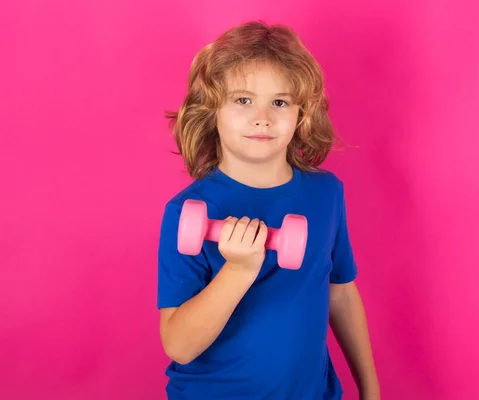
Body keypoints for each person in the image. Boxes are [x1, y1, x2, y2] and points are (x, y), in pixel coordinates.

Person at [157, 20, 380, 400]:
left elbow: (340, 293)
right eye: (243, 100)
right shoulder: (188, 212)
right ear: (212, 110)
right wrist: (238, 270)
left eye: (279, 102)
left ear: (301, 113)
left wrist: (370, 391)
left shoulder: (325, 194)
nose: (263, 117)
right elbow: (179, 345)